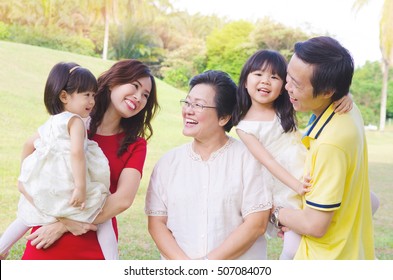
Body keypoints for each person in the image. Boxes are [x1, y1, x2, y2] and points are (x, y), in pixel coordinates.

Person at [19, 59, 159, 259]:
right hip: (45, 238)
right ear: (113, 82)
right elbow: (29, 150)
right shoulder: (73, 122)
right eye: (135, 86)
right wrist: (62, 220)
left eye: (145, 95)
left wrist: (63, 225)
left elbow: (122, 200)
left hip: (93, 241)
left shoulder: (135, 145)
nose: (138, 97)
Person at [232, 50, 353, 260]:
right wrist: (296, 185)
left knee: (369, 201)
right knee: (292, 247)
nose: (265, 81)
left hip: (309, 169)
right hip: (286, 184)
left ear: (284, 86)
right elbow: (267, 161)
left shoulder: (286, 107)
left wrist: (345, 95)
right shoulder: (245, 127)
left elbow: (319, 97)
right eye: (258, 74)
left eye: (274, 77)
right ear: (245, 80)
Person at [145, 70, 272, 260]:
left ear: (224, 117)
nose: (188, 110)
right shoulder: (168, 163)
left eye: (198, 105)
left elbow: (257, 223)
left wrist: (206, 265)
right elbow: (157, 223)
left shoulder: (248, 159)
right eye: (187, 102)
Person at [0, 62, 117, 259]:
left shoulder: (52, 121)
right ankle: (114, 263)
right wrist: (80, 187)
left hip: (49, 182)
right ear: (64, 96)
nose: (92, 101)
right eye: (86, 95)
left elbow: (29, 144)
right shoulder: (76, 121)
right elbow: (77, 154)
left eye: (93, 95)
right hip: (69, 182)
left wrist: (26, 176)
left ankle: (2, 246)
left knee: (27, 214)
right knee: (101, 208)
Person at [272, 36, 375, 259]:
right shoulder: (347, 109)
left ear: (328, 91)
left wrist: (275, 212)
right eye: (288, 76)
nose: (286, 87)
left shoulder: (331, 143)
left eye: (296, 84)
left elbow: (315, 224)